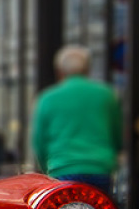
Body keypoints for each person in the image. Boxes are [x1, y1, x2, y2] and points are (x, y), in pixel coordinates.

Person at [31, 45, 122, 196]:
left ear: (59, 72)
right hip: (99, 168)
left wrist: (45, 168)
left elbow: (39, 141)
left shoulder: (47, 98)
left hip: (62, 168)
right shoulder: (106, 95)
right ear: (87, 70)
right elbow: (117, 135)